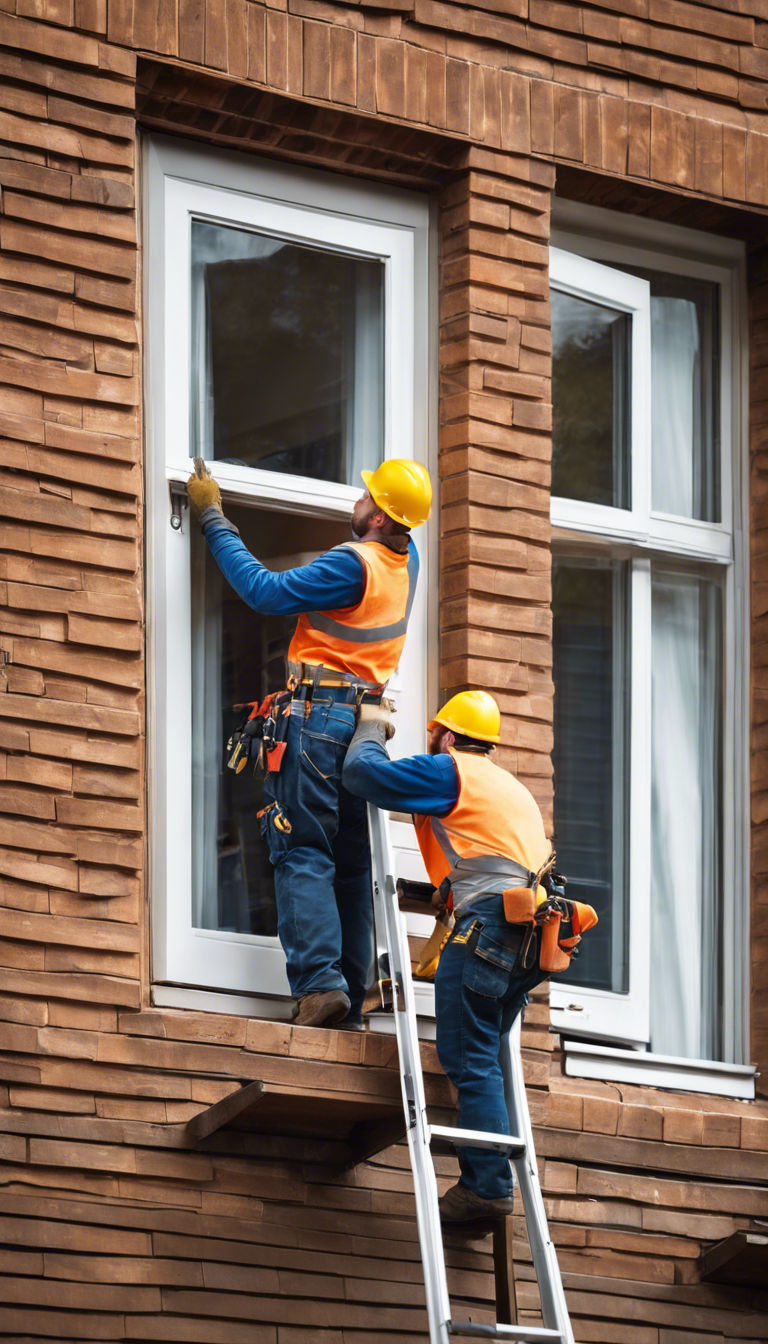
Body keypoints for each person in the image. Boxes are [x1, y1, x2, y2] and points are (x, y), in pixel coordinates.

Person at [186, 457, 432, 1031]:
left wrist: (213, 518)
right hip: (362, 723)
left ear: (377, 516)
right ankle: (352, 988)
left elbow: (263, 593)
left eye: (367, 494)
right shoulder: (406, 559)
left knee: (302, 849)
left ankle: (320, 987)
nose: (358, 498)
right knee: (349, 863)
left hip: (318, 720)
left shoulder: (354, 563)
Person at [342, 688, 552, 1224]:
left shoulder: (451, 769)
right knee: (489, 1057)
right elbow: (498, 861)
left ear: (451, 736)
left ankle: (486, 1185)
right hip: (526, 940)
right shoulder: (511, 790)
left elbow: (365, 776)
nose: (433, 744)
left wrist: (370, 728)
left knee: (469, 1056)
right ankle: (492, 1174)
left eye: (436, 737)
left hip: (488, 929)